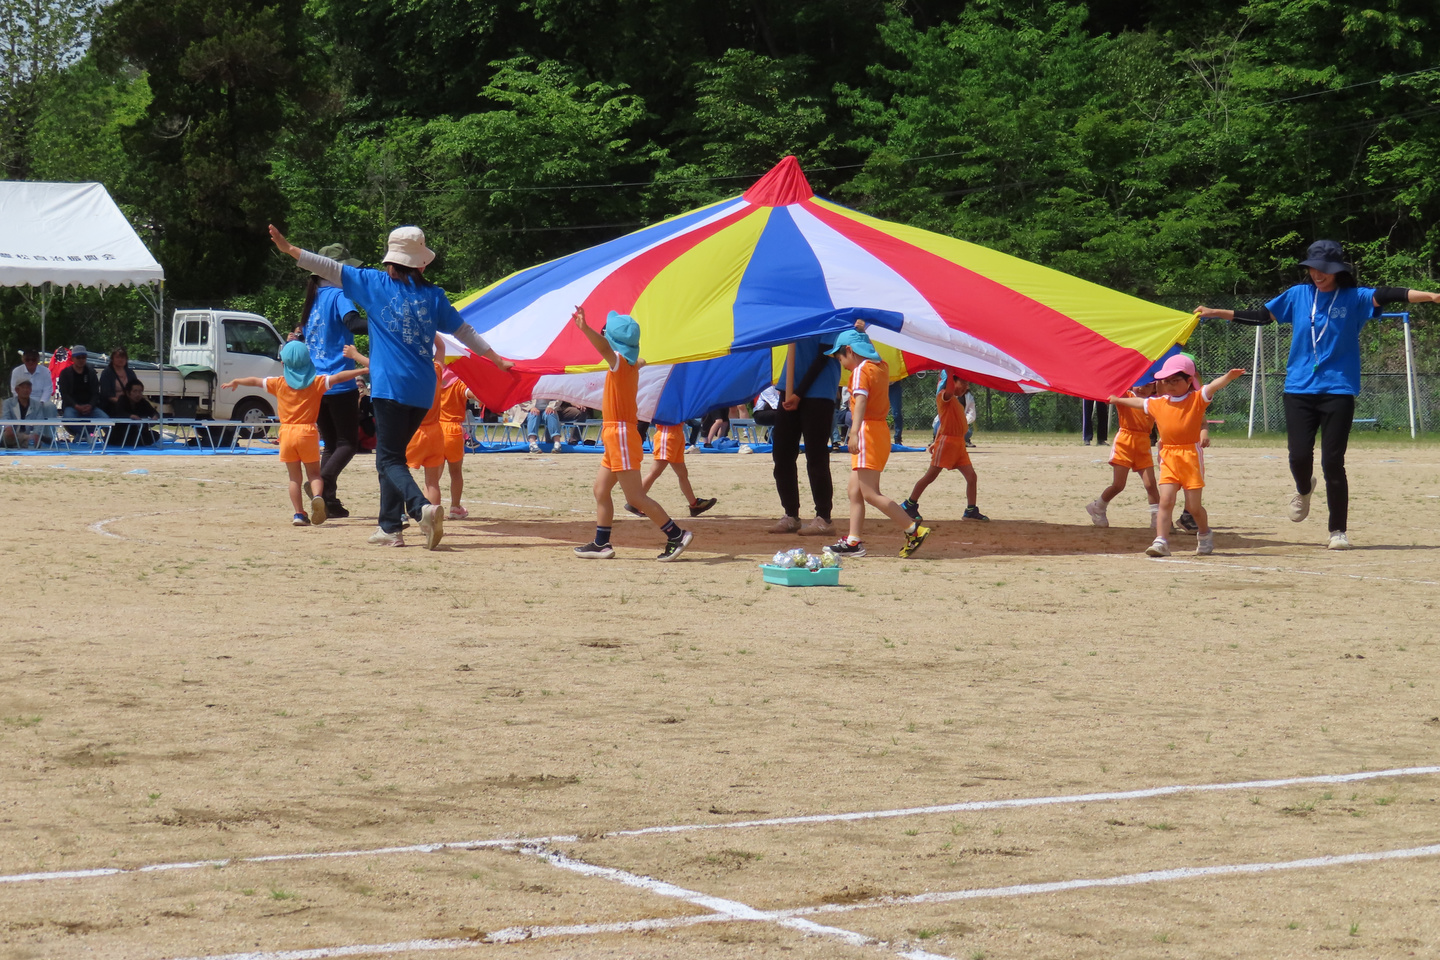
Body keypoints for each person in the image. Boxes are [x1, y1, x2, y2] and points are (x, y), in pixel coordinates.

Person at [268, 223, 514, 550]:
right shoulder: (434, 295)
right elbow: (465, 331)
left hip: (389, 388)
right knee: (392, 456)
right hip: (423, 391)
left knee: (388, 460)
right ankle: (389, 527)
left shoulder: (374, 283)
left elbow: (328, 267)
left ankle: (420, 509)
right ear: (423, 263)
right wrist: (496, 359)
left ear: (390, 260)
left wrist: (291, 250)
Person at [1195, 239, 1440, 550]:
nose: (1316, 274)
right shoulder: (1298, 295)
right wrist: (1216, 312)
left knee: (1333, 461)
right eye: (1312, 268)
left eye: (1323, 269)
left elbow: (1393, 293)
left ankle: (1338, 530)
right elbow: (1261, 316)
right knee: (1298, 456)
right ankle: (1303, 488)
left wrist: (1431, 296)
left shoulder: (1355, 297)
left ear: (1337, 270)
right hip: (1298, 389)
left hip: (1338, 389)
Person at [571, 307, 693, 561]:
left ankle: (676, 535)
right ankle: (601, 543)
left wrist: (585, 328)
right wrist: (639, 358)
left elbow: (605, 348)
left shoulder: (619, 362)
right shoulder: (630, 363)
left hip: (621, 435)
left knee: (635, 497)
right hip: (616, 436)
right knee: (600, 490)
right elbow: (638, 360)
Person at [1110, 356, 1244, 557]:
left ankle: (1205, 534)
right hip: (1168, 456)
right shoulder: (1159, 402)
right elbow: (1140, 402)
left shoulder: (1196, 399)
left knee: (1193, 507)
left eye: (1175, 381)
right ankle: (1161, 541)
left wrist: (1228, 376)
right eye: (1165, 381)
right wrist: (1117, 399)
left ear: (1189, 381)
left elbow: (1212, 387)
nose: (1169, 385)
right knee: (1166, 501)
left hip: (1190, 456)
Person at [223, 340, 367, 527]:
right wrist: (362, 371)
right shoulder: (316, 383)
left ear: (283, 364)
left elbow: (255, 381)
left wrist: (237, 382)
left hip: (287, 433)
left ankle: (299, 514)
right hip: (307, 432)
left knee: (294, 478)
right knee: (314, 474)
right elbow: (339, 377)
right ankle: (317, 497)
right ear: (308, 361)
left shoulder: (278, 383)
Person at [827, 326, 931, 558]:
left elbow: (861, 401)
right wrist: (862, 331)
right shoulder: (881, 366)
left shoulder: (860, 371)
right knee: (855, 490)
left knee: (870, 493)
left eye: (840, 357)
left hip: (866, 431)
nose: (841, 363)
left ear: (850, 351)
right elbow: (870, 353)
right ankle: (853, 541)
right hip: (878, 430)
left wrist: (853, 433)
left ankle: (912, 529)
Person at [300, 242, 367, 518]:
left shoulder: (312, 301)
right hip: (340, 380)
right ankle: (320, 485)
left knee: (331, 443)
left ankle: (328, 501)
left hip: (315, 384)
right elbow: (353, 324)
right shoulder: (339, 296)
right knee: (348, 443)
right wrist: (384, 323)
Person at [771, 335, 841, 536]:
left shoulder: (831, 316)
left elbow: (823, 356)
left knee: (816, 456)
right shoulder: (795, 312)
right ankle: (790, 515)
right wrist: (790, 391)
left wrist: (799, 394)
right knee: (781, 453)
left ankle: (824, 518)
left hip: (819, 392)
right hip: (789, 386)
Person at [901, 371, 987, 523]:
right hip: (947, 443)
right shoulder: (945, 396)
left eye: (968, 384)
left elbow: (944, 420)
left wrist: (936, 439)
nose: (966, 387)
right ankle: (909, 504)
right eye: (963, 383)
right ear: (952, 382)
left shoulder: (956, 401)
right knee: (930, 476)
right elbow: (948, 391)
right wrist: (949, 366)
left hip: (959, 444)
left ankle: (971, 510)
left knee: (972, 477)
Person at [1086, 380, 1160, 529]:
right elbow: (1110, 390)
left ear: (1154, 388)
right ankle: (1098, 507)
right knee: (1119, 484)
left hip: (1143, 443)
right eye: (1139, 383)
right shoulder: (1125, 395)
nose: (1142, 388)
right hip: (1125, 442)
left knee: (1150, 484)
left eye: (1148, 385)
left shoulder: (1155, 401)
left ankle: (1157, 518)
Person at [623, 420, 718, 520]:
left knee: (682, 473)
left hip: (676, 435)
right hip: (667, 435)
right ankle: (634, 501)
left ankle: (694, 504)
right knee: (655, 471)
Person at [405, 340, 447, 511]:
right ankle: (434, 515)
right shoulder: (435, 370)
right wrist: (431, 328)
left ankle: (399, 514)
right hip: (435, 430)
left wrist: (356, 356)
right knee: (432, 482)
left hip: (414, 431)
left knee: (398, 472)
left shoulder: (407, 374)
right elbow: (442, 346)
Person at [438, 361, 473, 519]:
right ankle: (455, 507)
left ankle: (430, 508)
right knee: (456, 472)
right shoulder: (459, 384)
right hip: (453, 431)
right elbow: (475, 395)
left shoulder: (433, 382)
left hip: (434, 429)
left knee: (432, 476)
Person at [57, 345, 105, 439]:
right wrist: (76, 406)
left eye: (83, 357)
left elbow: (96, 393)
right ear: (73, 358)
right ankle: (85, 436)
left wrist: (91, 405)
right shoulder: (65, 373)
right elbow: (65, 394)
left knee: (106, 419)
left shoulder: (91, 372)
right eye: (78, 357)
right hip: (72, 407)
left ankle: (83, 436)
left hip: (90, 407)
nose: (81, 360)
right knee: (68, 418)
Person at [1, 378, 58, 447]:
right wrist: (9, 428)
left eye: (28, 388)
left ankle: (23, 441)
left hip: (29, 435)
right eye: (23, 388)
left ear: (31, 390)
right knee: (7, 436)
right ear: (17, 390)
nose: (25, 390)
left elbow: (39, 423)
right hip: (13, 435)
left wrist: (36, 434)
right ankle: (24, 440)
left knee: (33, 440)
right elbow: (5, 418)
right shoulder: (8, 403)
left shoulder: (37, 405)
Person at [107, 380, 160, 447]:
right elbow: (118, 413)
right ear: (128, 392)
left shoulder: (143, 402)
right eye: (135, 391)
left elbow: (153, 412)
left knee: (155, 435)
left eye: (140, 392)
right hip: (121, 432)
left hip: (138, 432)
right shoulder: (122, 400)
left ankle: (136, 442)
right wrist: (130, 416)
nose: (138, 394)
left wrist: (155, 416)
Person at [97, 347, 141, 415]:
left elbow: (136, 388)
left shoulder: (130, 373)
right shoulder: (106, 373)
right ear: (112, 359)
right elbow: (106, 394)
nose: (120, 360)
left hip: (130, 404)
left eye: (123, 357)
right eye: (117, 357)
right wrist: (122, 403)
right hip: (112, 406)